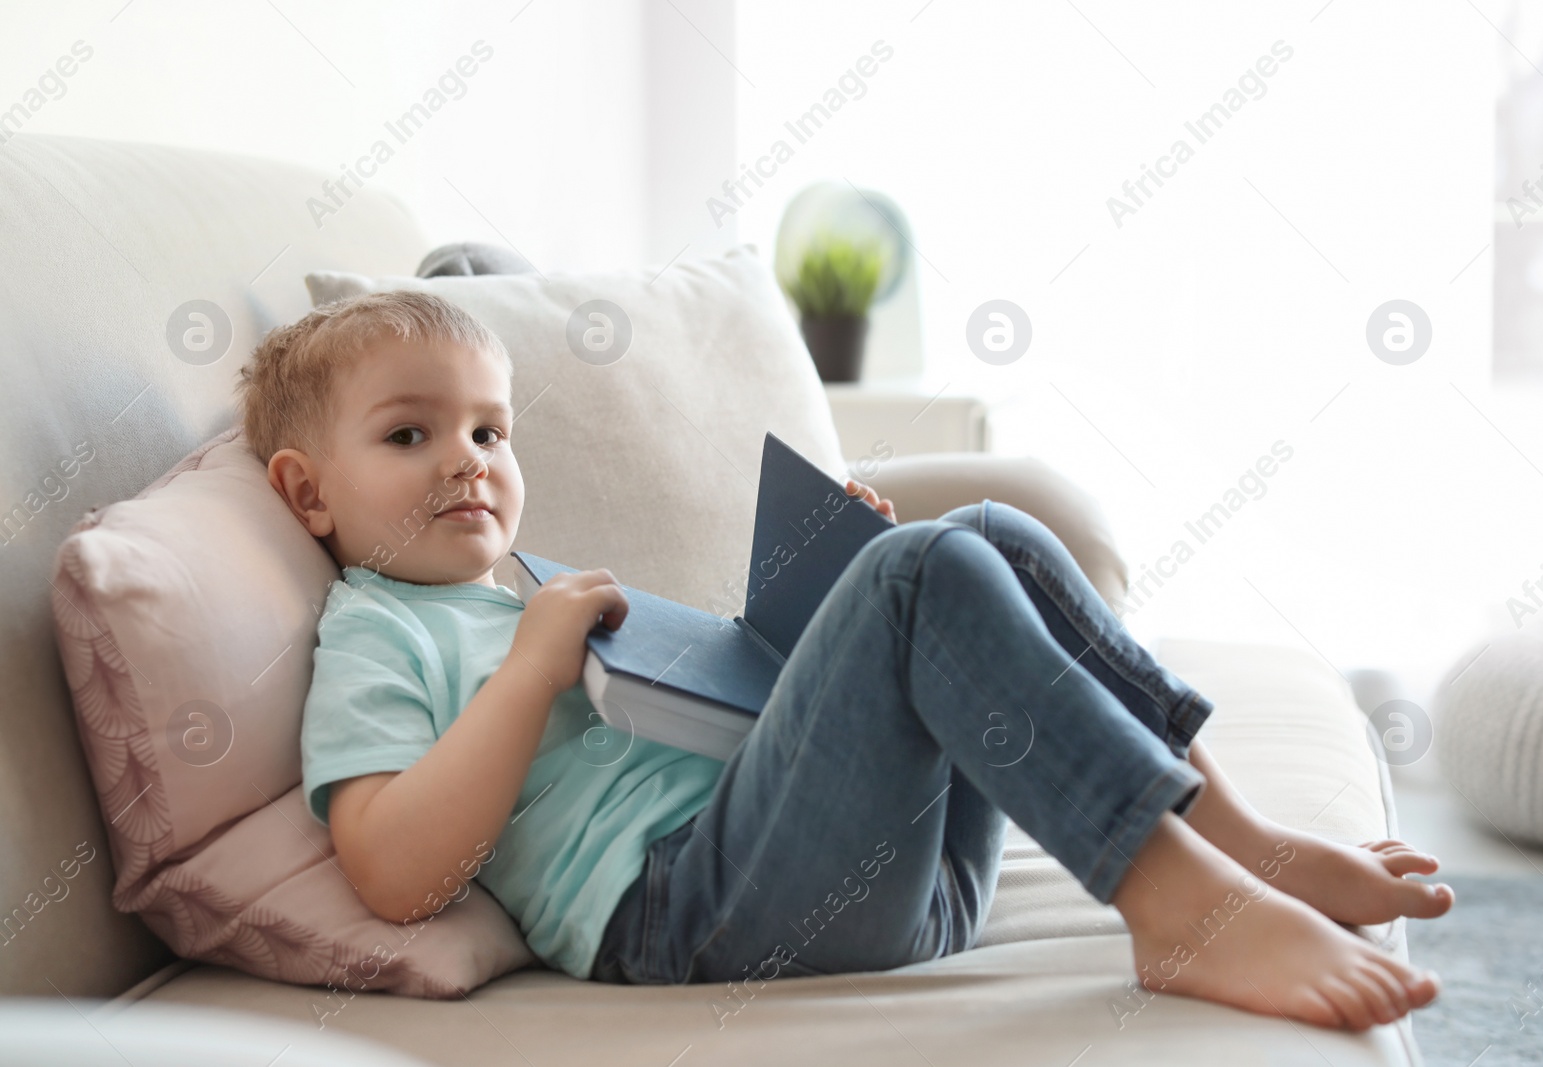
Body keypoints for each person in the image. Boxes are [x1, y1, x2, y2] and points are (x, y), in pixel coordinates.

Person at [238, 289, 1452, 1032]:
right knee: (920, 572)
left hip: (870, 878)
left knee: (972, 535)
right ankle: (1176, 904)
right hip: (690, 911)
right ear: (306, 492)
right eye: (410, 434)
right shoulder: (375, 629)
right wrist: (529, 672)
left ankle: (1226, 828)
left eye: (489, 429)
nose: (468, 461)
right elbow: (395, 871)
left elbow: (708, 699)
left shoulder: (529, 585)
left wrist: (842, 590)